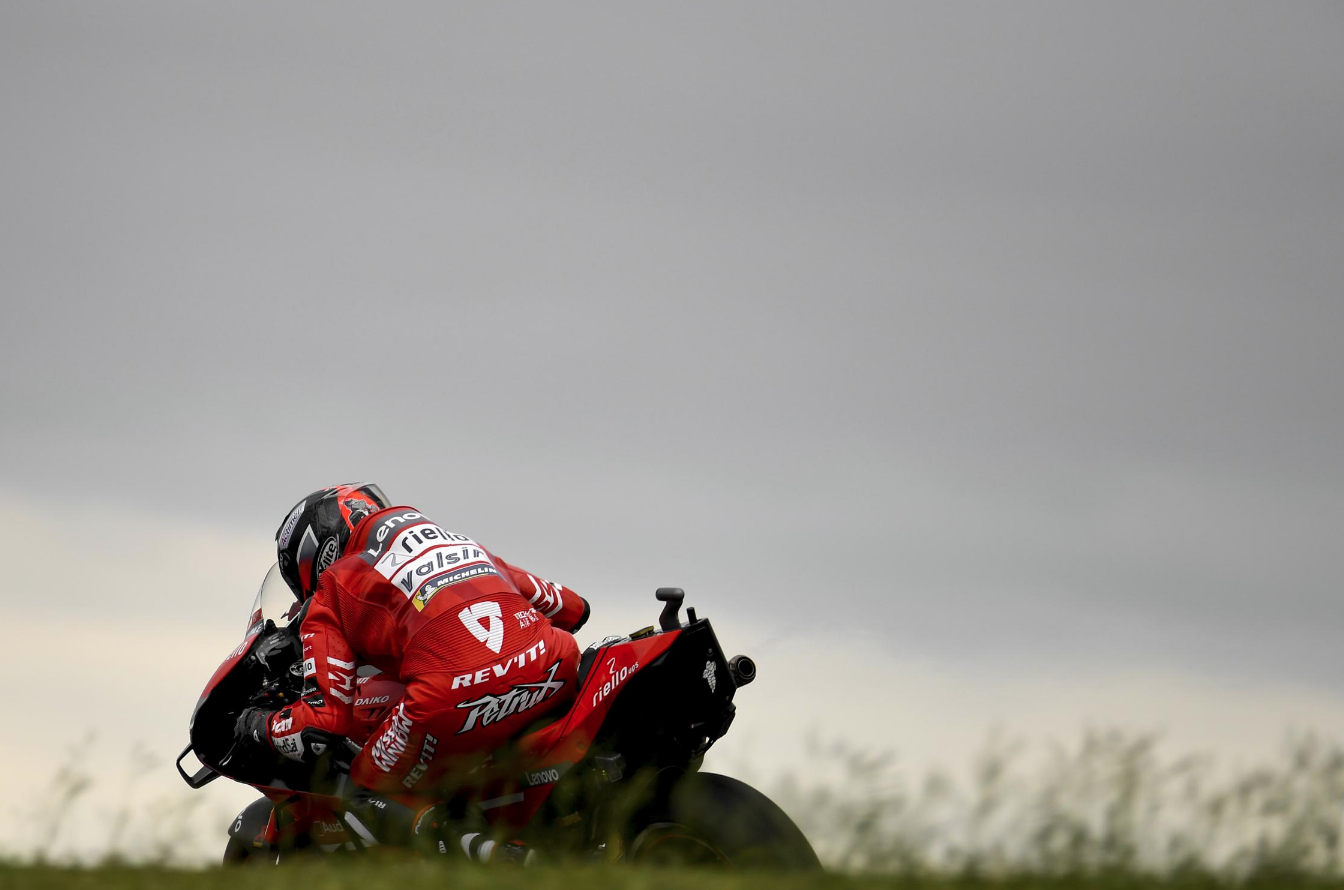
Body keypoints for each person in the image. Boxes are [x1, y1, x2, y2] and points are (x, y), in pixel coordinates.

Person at [234, 483, 589, 862]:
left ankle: (501, 860)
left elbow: (323, 724)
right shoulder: (458, 543)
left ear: (315, 553)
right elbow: (573, 609)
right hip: (553, 670)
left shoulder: (332, 587)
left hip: (448, 701)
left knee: (355, 791)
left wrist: (256, 724)